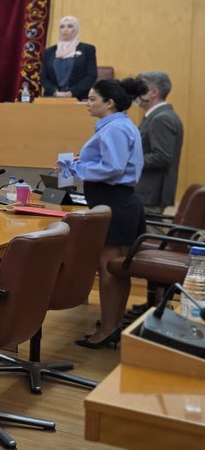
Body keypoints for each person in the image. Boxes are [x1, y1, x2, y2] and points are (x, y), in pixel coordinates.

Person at [60, 77, 147, 349]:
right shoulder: (118, 125)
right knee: (119, 269)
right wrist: (82, 163)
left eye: (92, 99)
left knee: (109, 270)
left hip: (115, 204)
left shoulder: (114, 129)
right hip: (120, 203)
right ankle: (114, 324)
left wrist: (76, 170)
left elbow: (113, 168)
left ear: (109, 103)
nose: (88, 103)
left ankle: (108, 328)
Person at [135, 70, 183, 214]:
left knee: (150, 236)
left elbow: (161, 157)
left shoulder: (161, 118)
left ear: (153, 92)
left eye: (140, 89)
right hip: (147, 193)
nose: (135, 93)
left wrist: (129, 160)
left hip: (151, 195)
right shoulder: (155, 116)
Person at [40, 15, 97, 99]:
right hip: (52, 98)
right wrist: (55, 92)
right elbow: (43, 77)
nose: (65, 29)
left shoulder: (87, 49)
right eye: (62, 27)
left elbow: (91, 75)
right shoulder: (49, 51)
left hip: (78, 97)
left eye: (70, 26)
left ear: (76, 29)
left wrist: (72, 92)